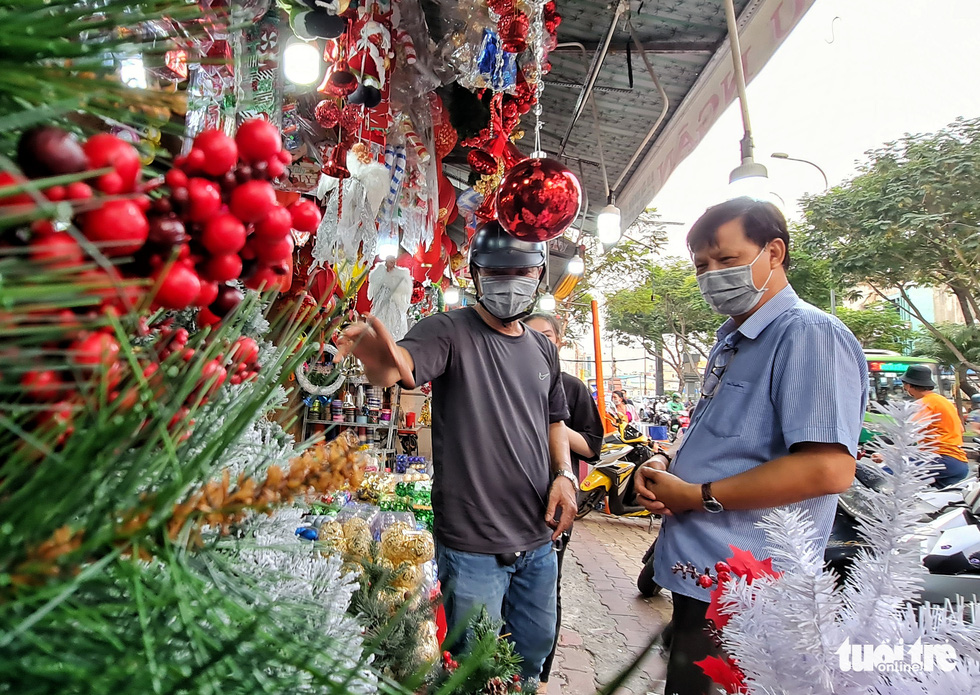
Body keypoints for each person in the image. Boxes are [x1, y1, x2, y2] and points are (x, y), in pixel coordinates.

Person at [632, 198, 867, 695]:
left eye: (727, 260)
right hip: (702, 573)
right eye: (701, 266)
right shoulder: (732, 341)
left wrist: (696, 495)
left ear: (774, 252)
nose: (712, 275)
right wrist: (664, 461)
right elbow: (718, 431)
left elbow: (827, 470)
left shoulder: (808, 336)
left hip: (749, 586)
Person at [335, 221, 577, 683]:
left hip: (538, 538)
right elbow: (398, 366)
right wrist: (375, 353)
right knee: (472, 669)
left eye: (522, 273)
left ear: (539, 274)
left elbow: (555, 421)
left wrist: (564, 475)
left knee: (531, 655)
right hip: (472, 544)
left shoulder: (544, 350)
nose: (510, 284)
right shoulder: (448, 330)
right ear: (476, 275)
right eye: (496, 273)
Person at [523, 312, 604, 693]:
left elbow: (592, 446)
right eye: (531, 335)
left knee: (543, 589)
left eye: (547, 336)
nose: (539, 343)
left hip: (552, 503)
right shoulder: (509, 379)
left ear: (559, 343)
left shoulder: (572, 388)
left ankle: (538, 675)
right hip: (506, 502)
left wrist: (554, 423)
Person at [899, 365, 970, 487]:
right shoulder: (943, 401)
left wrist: (889, 454)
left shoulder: (924, 403)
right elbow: (961, 429)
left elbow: (908, 433)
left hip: (939, 459)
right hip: (958, 463)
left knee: (887, 475)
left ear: (908, 386)